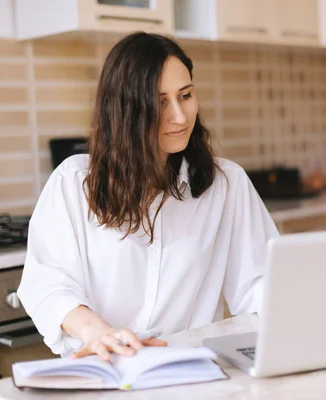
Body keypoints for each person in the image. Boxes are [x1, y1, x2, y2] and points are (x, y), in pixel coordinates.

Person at [17, 32, 278, 362]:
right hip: (105, 369)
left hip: (191, 371)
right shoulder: (74, 182)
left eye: (185, 96)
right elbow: (48, 285)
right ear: (125, 110)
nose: (180, 116)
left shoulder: (226, 184)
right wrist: (95, 331)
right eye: (160, 102)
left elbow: (259, 284)